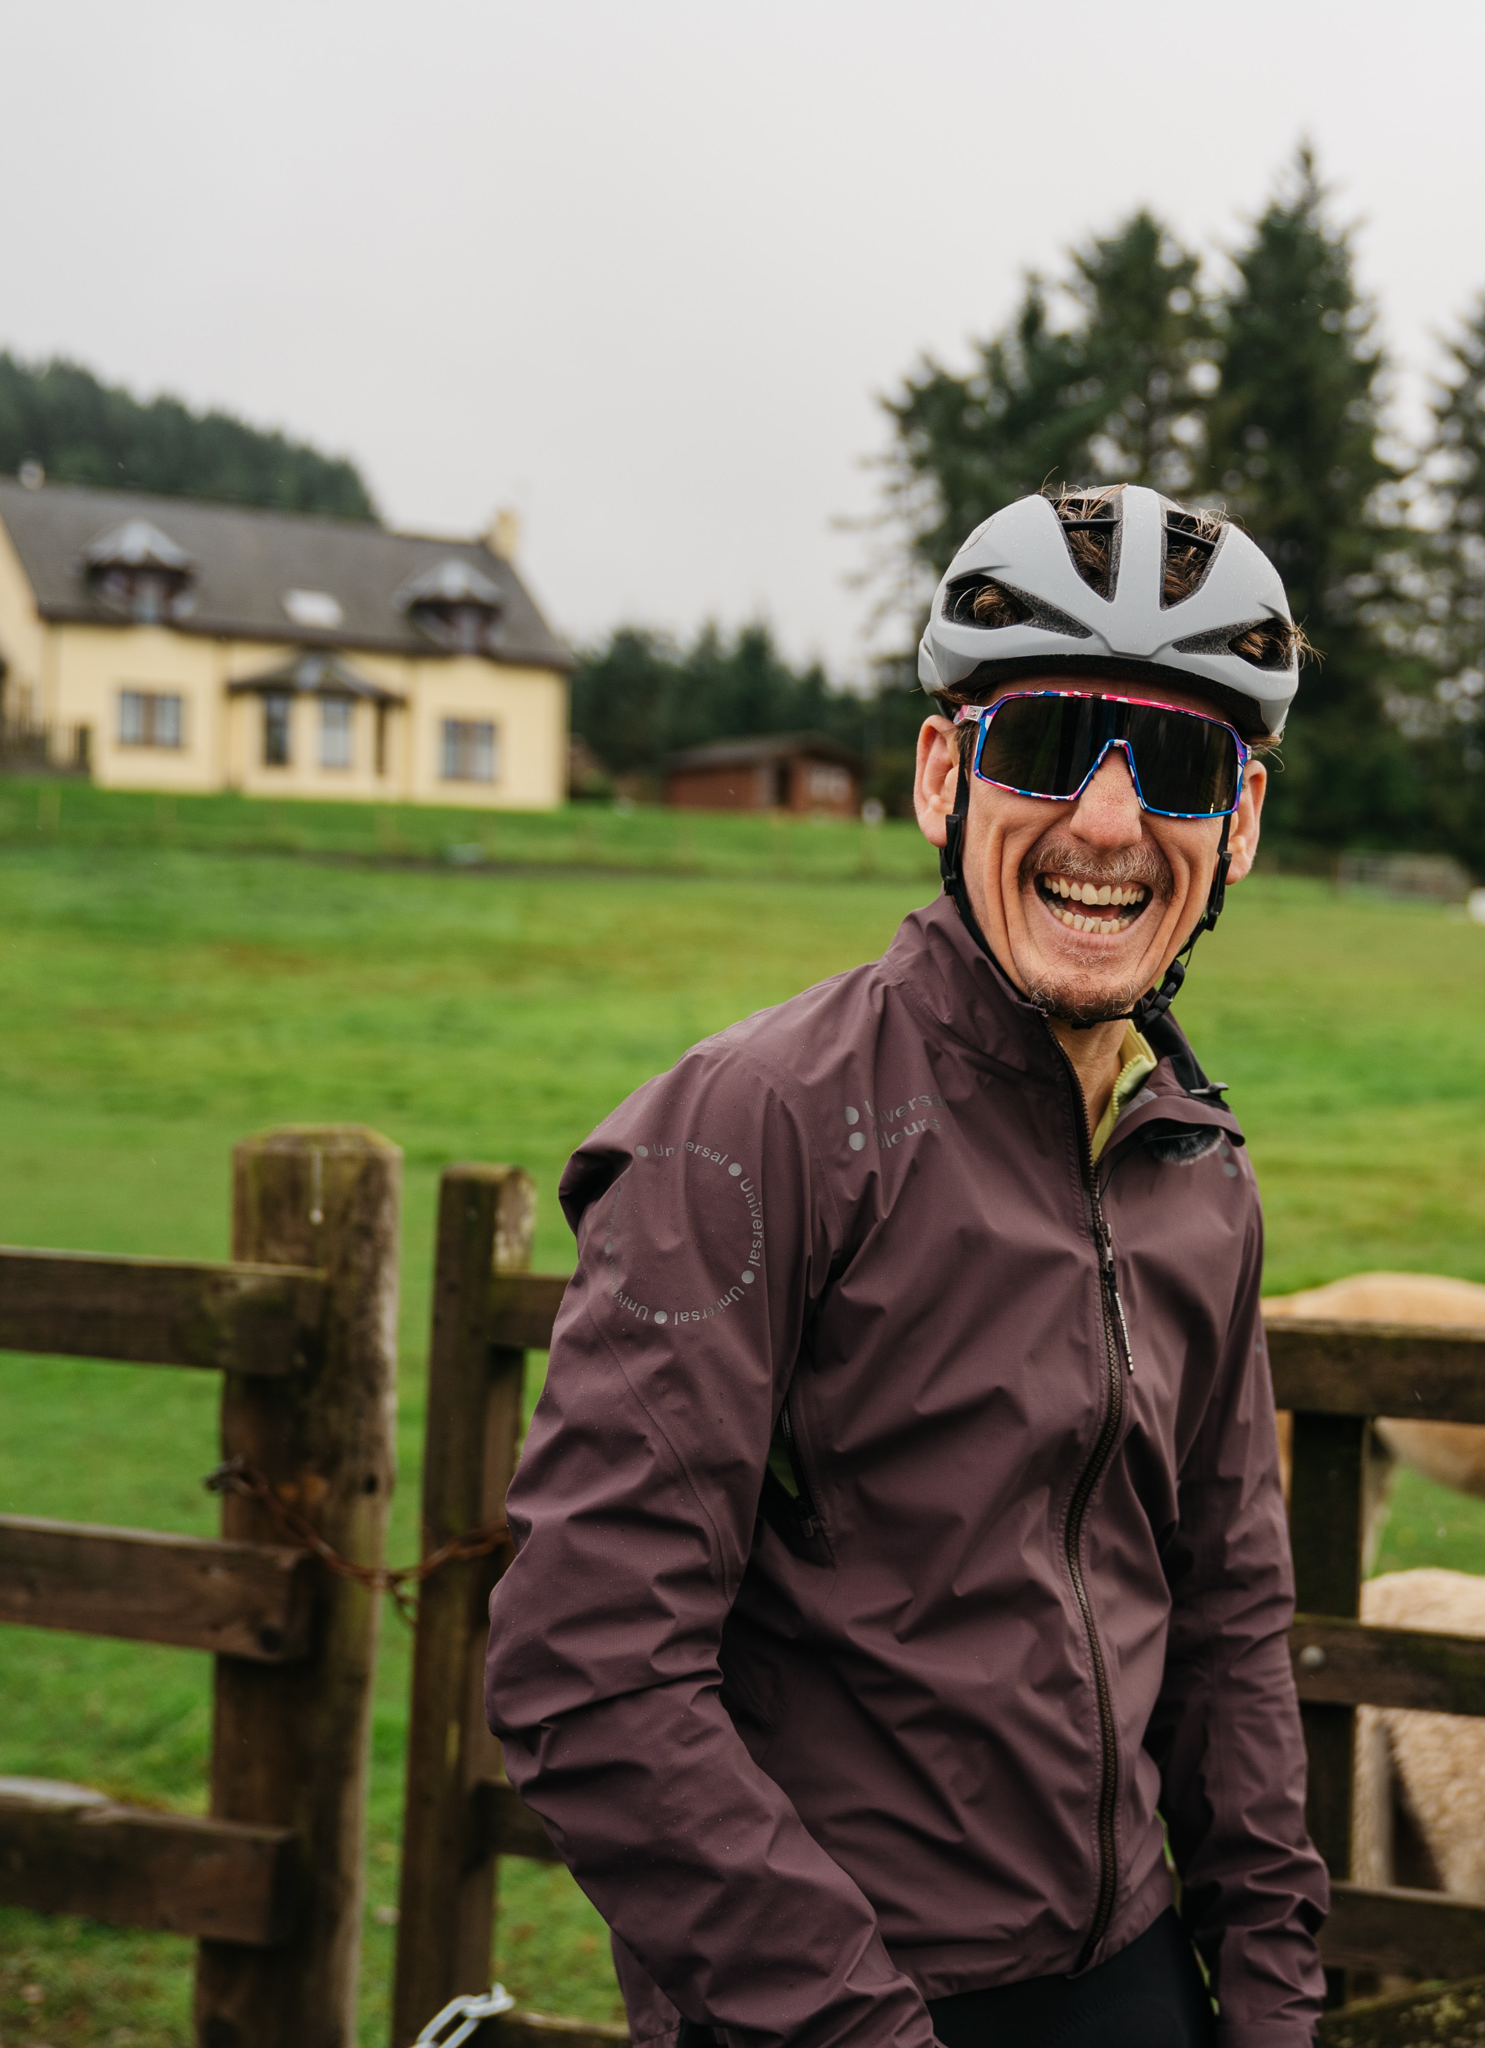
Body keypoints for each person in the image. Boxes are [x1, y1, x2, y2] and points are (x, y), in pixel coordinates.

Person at [487, 483, 1328, 2048]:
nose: (1108, 823)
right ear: (945, 776)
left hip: (1125, 1980)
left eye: (1180, 766)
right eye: (1048, 744)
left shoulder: (1196, 1167)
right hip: (827, 1999)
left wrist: (1273, 2005)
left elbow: (1229, 1624)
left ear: (1242, 823)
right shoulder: (751, 1130)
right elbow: (586, 1668)